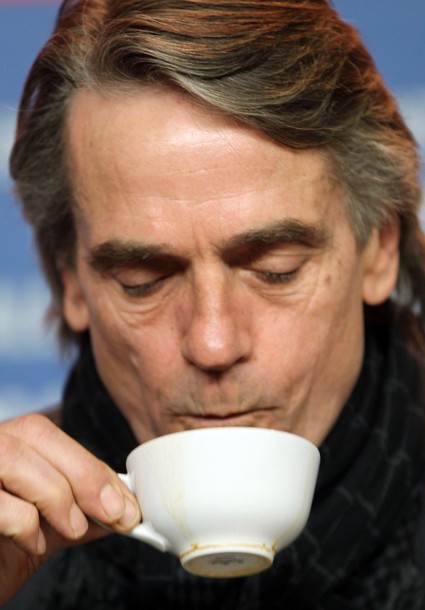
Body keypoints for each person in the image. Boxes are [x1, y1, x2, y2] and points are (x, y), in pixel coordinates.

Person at [2, 0, 425, 608]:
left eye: (275, 271)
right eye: (143, 280)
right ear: (71, 282)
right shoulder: (12, 543)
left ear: (379, 248)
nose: (212, 342)